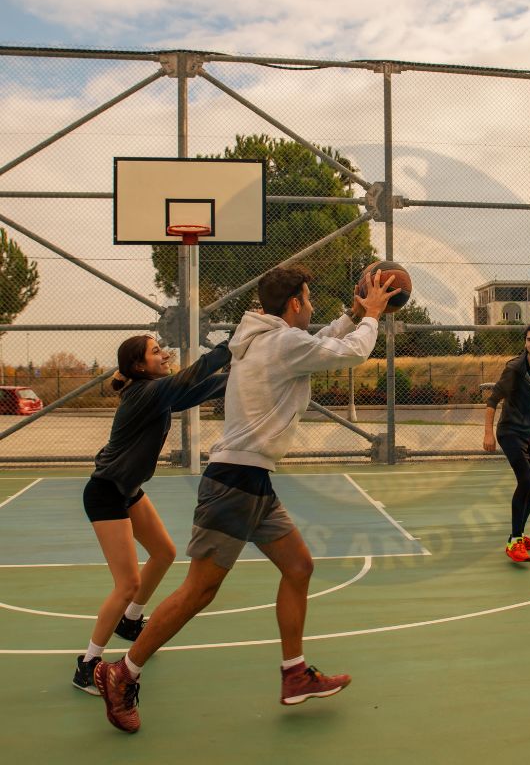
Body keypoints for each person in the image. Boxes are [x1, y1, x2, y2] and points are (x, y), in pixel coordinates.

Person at [94, 264, 399, 733]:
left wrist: (352, 314)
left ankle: (295, 673)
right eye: (308, 299)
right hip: (234, 482)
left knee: (299, 566)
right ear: (294, 304)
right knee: (200, 590)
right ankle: (122, 671)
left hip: (252, 480)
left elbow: (320, 343)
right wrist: (372, 316)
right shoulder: (280, 343)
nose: (312, 306)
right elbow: (348, 353)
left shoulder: (269, 338)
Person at [72, 334, 230, 695]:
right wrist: (230, 347)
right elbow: (192, 377)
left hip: (127, 491)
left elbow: (202, 388)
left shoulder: (157, 392)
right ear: (139, 366)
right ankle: (87, 664)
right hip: (106, 494)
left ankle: (130, 623)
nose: (164, 354)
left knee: (164, 553)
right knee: (126, 584)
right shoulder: (145, 393)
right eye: (155, 351)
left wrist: (249, 373)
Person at [482, 320, 530, 563]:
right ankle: (514, 541)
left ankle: (519, 535)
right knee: (526, 480)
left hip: (525, 433)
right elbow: (492, 401)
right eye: (529, 340)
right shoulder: (515, 369)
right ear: (525, 343)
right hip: (509, 432)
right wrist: (488, 434)